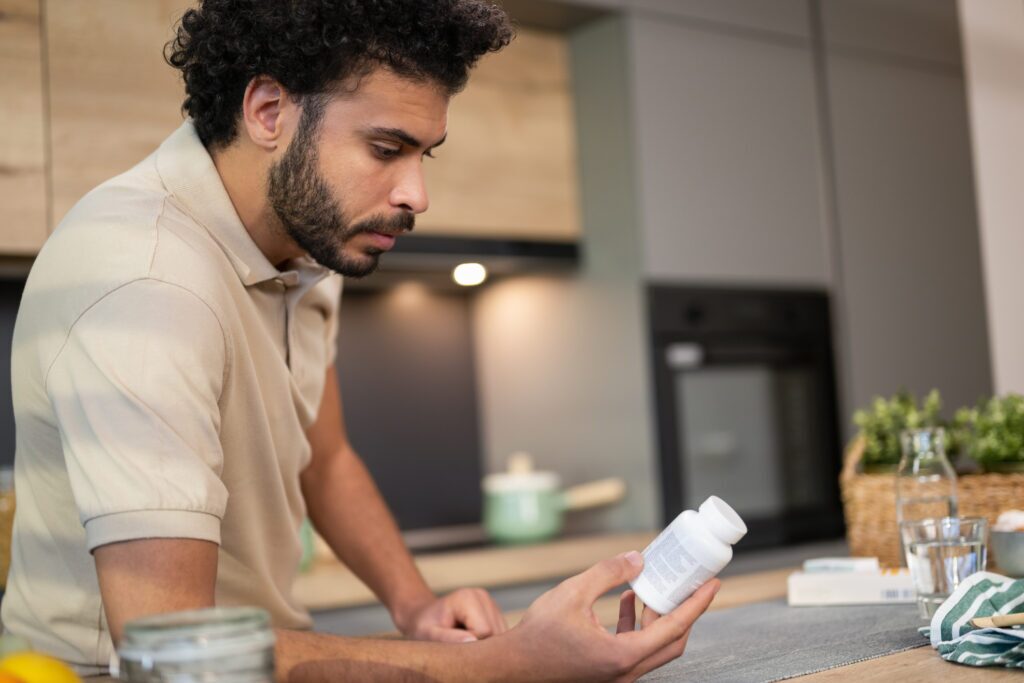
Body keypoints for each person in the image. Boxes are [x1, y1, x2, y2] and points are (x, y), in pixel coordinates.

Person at [0, 1, 719, 680]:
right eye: (386, 147)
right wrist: (511, 664)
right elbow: (171, 640)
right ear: (268, 111)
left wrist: (416, 605)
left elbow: (328, 458)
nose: (417, 195)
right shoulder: (144, 281)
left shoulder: (307, 243)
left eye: (424, 155)